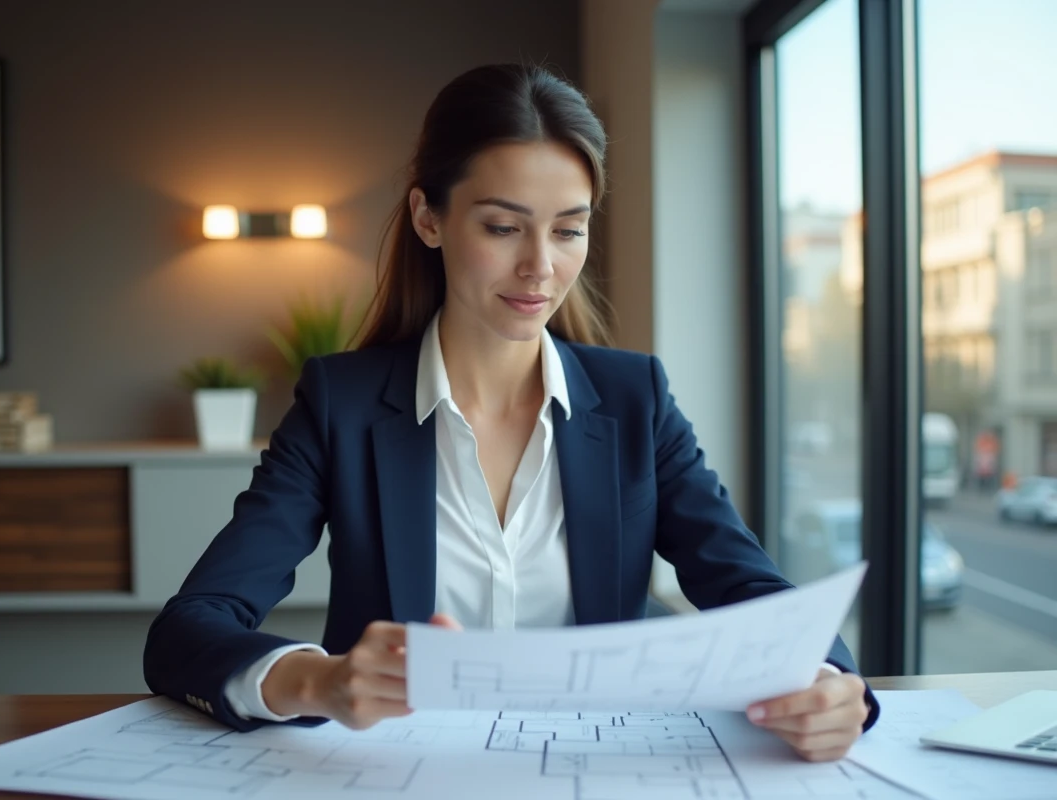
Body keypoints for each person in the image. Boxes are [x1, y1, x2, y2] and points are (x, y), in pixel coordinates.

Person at [143, 62, 878, 762]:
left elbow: (756, 592)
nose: (541, 266)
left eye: (568, 229)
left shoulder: (635, 400)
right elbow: (189, 629)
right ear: (429, 218)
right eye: (503, 227)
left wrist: (832, 685)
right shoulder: (341, 404)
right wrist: (322, 682)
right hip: (389, 779)